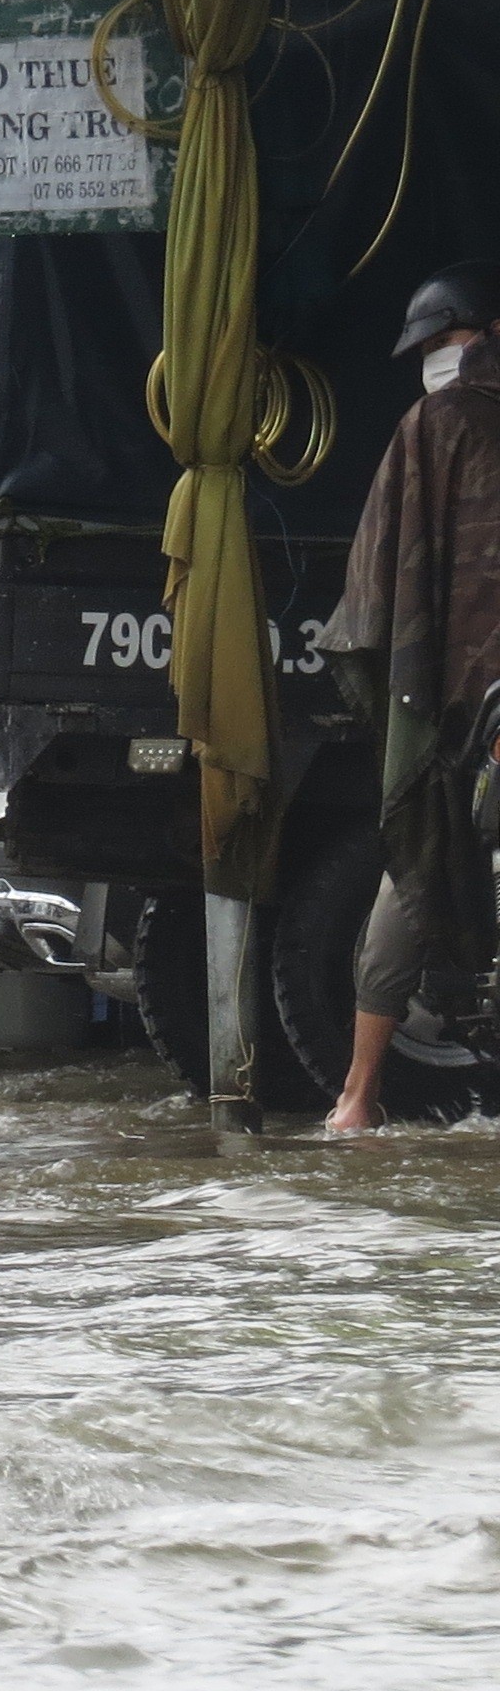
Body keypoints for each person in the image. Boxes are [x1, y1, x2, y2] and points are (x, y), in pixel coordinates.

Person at [319, 260, 500, 1131]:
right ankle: (356, 1097)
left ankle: (356, 1100)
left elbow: (385, 588)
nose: (436, 357)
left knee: (411, 879)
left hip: (453, 712)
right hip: (466, 715)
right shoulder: (435, 425)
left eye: (443, 341)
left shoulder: (432, 425)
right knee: (409, 880)